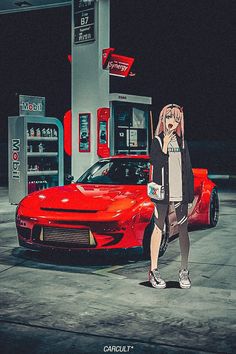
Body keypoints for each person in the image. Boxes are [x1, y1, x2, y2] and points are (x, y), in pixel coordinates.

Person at [149, 103, 194, 289]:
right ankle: (153, 270)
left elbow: (188, 170)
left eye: (176, 119)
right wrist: (165, 144)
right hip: (162, 193)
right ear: (162, 119)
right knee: (158, 228)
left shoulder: (182, 143)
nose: (172, 122)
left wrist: (189, 197)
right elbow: (155, 162)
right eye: (169, 118)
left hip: (180, 193)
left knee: (183, 230)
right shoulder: (157, 141)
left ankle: (184, 270)